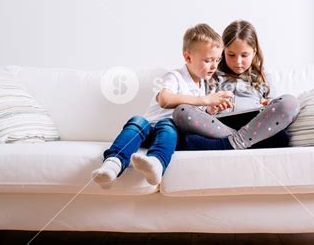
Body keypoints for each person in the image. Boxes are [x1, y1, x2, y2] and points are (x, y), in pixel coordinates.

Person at [91, 24, 233, 186]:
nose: (214, 66)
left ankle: (156, 164)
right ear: (188, 58)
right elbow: (164, 99)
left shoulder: (203, 85)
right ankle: (112, 164)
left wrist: (209, 110)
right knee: (138, 120)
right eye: (208, 60)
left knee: (168, 124)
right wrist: (205, 100)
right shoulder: (175, 76)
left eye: (217, 60)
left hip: (168, 136)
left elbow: (193, 119)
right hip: (147, 130)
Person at [173, 20, 300, 150]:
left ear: (254, 52)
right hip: (219, 127)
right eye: (231, 55)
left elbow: (276, 106)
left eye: (244, 55)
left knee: (291, 102)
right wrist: (209, 109)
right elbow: (199, 108)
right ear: (222, 52)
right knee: (181, 111)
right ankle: (239, 141)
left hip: (255, 125)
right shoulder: (211, 75)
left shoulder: (264, 77)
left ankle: (229, 143)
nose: (238, 62)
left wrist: (268, 104)